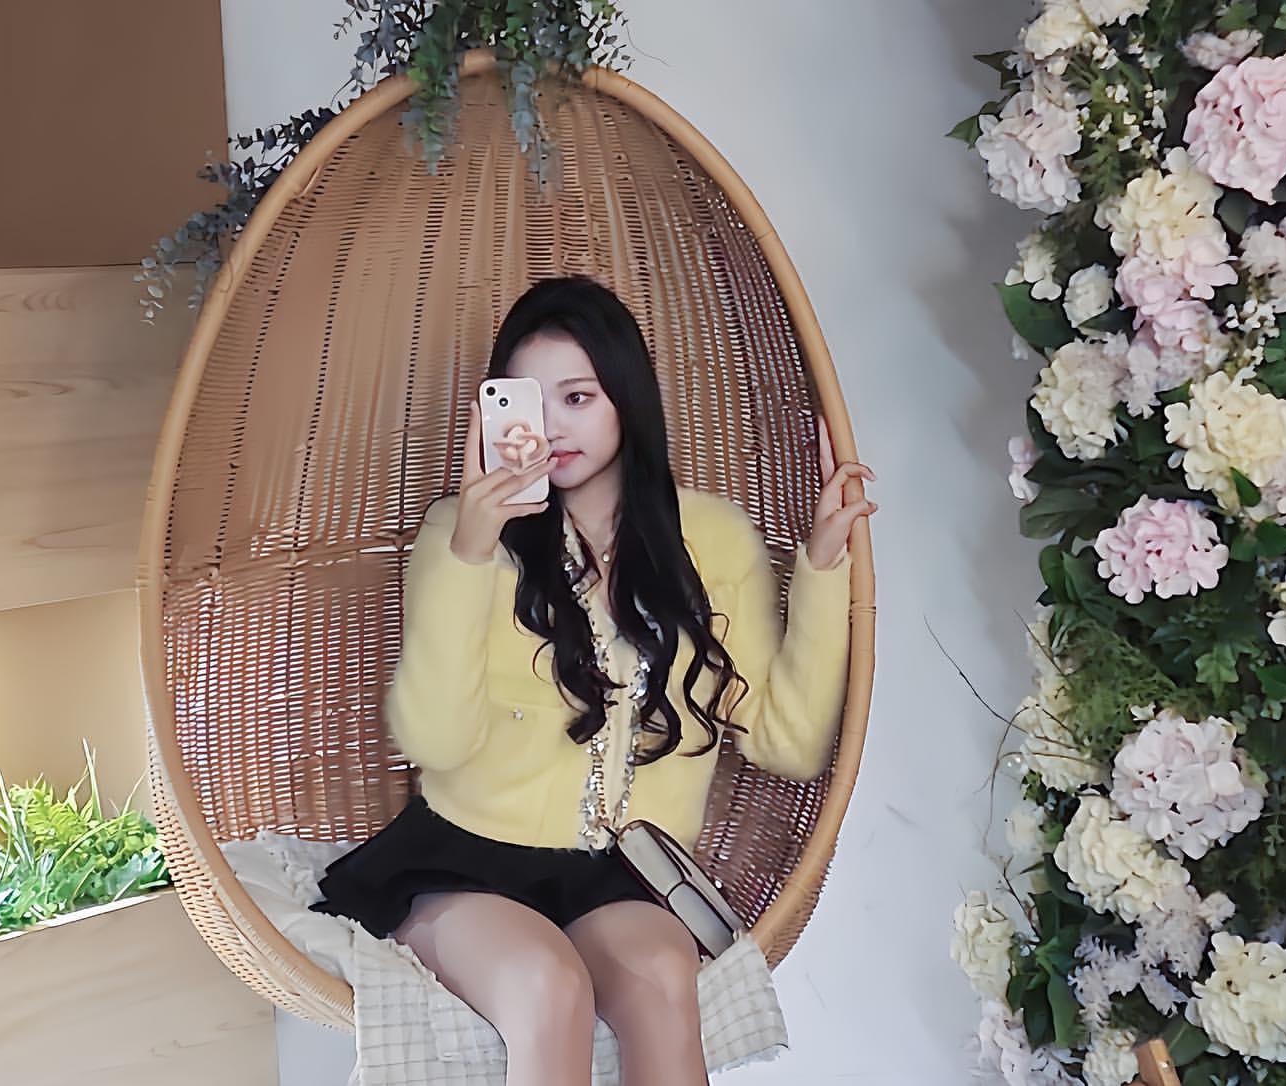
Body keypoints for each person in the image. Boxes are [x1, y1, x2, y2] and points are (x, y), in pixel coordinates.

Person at [309, 275, 877, 1085]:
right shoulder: (460, 534)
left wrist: (823, 570)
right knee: (549, 989)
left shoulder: (713, 540)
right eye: (527, 402)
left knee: (665, 980)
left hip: (622, 874)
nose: (551, 428)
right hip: (465, 861)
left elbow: (786, 744)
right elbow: (434, 739)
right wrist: (472, 549)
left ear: (626, 399)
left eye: (577, 397)